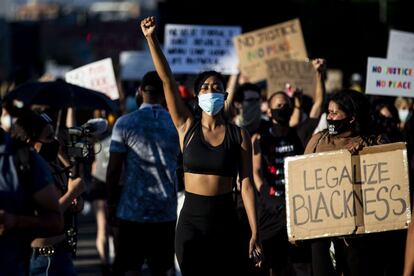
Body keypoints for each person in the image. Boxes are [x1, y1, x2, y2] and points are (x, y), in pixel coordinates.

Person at [141, 16, 262, 276]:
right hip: (191, 224)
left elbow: (248, 184)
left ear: (225, 95)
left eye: (217, 87)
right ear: (197, 97)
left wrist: (255, 230)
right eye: (205, 88)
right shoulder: (186, 126)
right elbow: (167, 81)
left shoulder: (239, 135)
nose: (211, 91)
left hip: (227, 223)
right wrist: (151, 38)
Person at [304, 89, 388, 276]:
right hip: (323, 229)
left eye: (335, 113)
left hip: (360, 233)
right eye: (328, 112)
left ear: (351, 117)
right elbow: (302, 178)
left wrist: (367, 153)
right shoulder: (318, 140)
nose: (330, 117)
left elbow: (388, 175)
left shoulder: (374, 141)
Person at [107, 70, 180, 276]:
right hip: (165, 211)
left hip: (132, 212)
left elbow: (114, 170)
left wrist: (111, 201)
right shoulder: (176, 124)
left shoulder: (125, 123)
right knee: (161, 269)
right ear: (164, 93)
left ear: (140, 91)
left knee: (130, 269)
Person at [10, 109, 85, 276]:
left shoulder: (53, 167)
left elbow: (74, 206)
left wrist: (76, 200)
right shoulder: (22, 173)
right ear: (30, 142)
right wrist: (72, 194)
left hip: (60, 251)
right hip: (42, 255)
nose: (55, 142)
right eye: (49, 137)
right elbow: (49, 215)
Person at [0, 105, 63, 275]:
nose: (54, 142)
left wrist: (15, 221)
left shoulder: (24, 161)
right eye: (49, 137)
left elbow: (57, 220)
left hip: (40, 258)